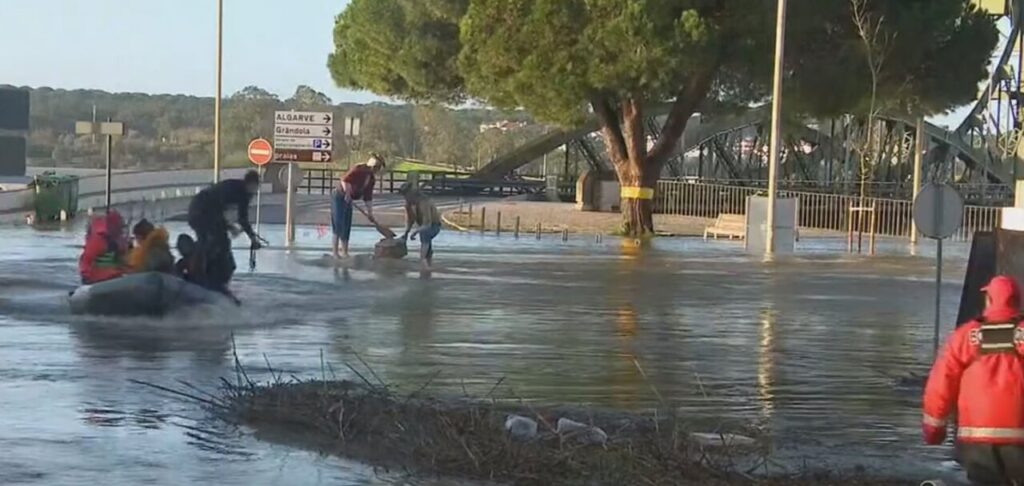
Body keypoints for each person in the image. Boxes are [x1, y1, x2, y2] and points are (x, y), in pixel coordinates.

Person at [923, 275, 1024, 485]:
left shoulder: (964, 337)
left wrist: (934, 429)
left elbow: (941, 384)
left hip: (976, 438)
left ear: (988, 299)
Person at [186, 170, 262, 299]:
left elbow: (243, 219)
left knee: (218, 243)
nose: (256, 190)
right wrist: (228, 226)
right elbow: (215, 208)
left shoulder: (245, 195)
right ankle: (201, 275)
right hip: (199, 209)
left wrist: (253, 238)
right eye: (255, 186)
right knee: (215, 243)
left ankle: (215, 278)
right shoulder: (232, 188)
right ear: (249, 183)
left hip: (209, 213)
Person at [332, 154, 385, 258]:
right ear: (372, 166)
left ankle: (345, 252)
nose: (375, 171)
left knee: (346, 225)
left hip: (350, 199)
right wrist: (347, 193)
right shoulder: (359, 169)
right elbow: (345, 180)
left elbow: (368, 198)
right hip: (340, 196)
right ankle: (335, 253)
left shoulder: (371, 180)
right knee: (338, 223)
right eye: (376, 168)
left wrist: (370, 214)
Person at [78, 210, 129, 284]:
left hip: (116, 278)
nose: (120, 230)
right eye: (118, 226)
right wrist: (86, 277)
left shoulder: (121, 240)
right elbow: (86, 260)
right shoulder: (99, 240)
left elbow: (122, 261)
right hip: (98, 280)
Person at [399, 182, 441, 269]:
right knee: (426, 244)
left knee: (425, 235)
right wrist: (406, 233)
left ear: (412, 194)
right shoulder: (408, 204)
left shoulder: (424, 202)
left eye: (406, 195)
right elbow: (410, 220)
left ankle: (423, 261)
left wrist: (415, 232)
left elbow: (428, 223)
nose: (406, 198)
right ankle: (428, 264)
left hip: (434, 225)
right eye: (404, 196)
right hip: (423, 226)